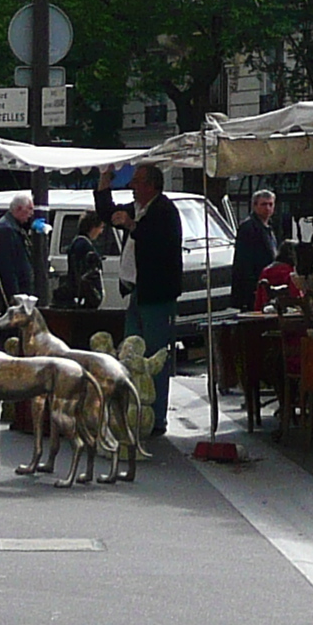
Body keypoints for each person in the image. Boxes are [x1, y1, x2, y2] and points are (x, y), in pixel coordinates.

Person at [129, 166, 186, 437]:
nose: (132, 187)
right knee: (131, 352)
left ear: (151, 185)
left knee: (155, 356)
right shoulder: (140, 208)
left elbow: (157, 243)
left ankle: (156, 417)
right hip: (139, 291)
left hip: (157, 294)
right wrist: (103, 180)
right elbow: (107, 212)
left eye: (137, 182)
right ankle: (136, 411)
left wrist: (132, 227)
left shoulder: (163, 211)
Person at [232, 189, 283, 309]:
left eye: (270, 204)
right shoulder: (248, 228)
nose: (268, 208)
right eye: (264, 204)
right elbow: (244, 262)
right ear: (255, 206)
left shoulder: (270, 227)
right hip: (253, 285)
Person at [0, 194, 45, 306]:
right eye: (30, 209)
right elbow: (7, 266)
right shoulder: (6, 230)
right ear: (19, 208)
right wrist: (14, 295)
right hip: (12, 295)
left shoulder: (15, 228)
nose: (31, 214)